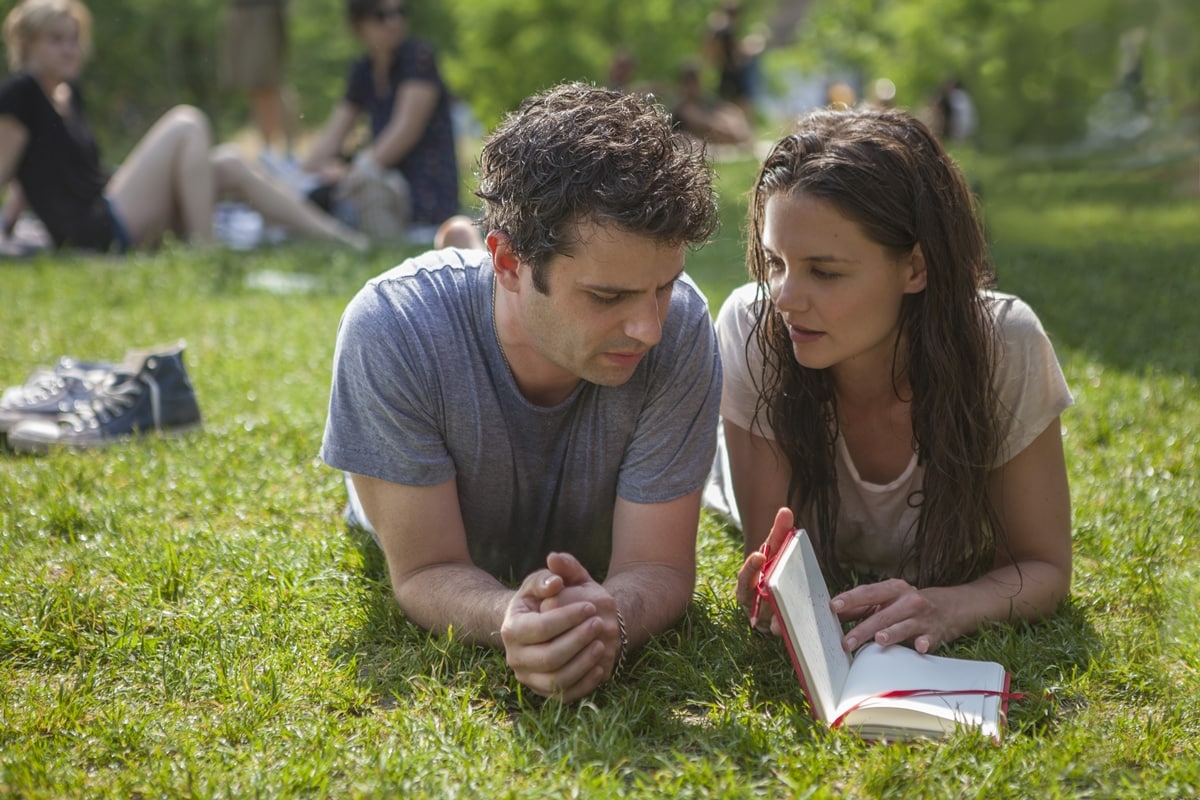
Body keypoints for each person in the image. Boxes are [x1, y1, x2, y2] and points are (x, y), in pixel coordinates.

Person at [321, 82, 721, 702]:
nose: (649, 329)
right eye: (607, 297)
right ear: (508, 263)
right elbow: (426, 569)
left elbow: (659, 567)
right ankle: (458, 251)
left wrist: (605, 621)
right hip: (431, 395)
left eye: (664, 285)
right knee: (445, 317)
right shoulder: (391, 327)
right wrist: (510, 615)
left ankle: (462, 246)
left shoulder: (684, 326)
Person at [717, 106, 1073, 656]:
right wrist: (769, 590)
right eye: (775, 262)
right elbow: (779, 565)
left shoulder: (1004, 344)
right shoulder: (754, 327)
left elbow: (1044, 567)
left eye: (825, 271)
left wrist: (948, 606)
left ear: (915, 268)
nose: (784, 298)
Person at [0, 0, 366, 252]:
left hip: (111, 207)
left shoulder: (65, 92)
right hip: (94, 230)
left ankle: (343, 241)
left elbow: (31, 173)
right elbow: (7, 165)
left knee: (229, 163)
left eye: (74, 40)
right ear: (27, 44)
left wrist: (14, 219)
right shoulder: (21, 93)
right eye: (57, 40)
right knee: (187, 122)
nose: (70, 50)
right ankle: (204, 249)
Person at [301, 0, 461, 244]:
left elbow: (405, 132)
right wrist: (312, 168)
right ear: (358, 24)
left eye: (399, 12)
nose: (394, 22)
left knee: (364, 184)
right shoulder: (363, 70)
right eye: (381, 15)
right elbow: (334, 134)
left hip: (421, 196)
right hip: (379, 182)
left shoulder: (418, 58)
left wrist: (348, 173)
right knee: (312, 188)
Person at [220, 0, 297, 158]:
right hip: (242, 11)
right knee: (254, 87)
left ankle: (289, 152)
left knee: (270, 85)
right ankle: (268, 151)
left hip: (261, 12)